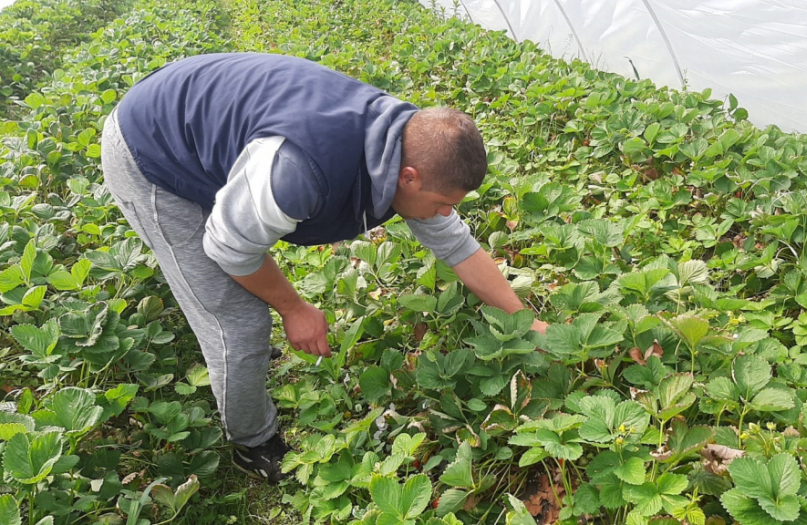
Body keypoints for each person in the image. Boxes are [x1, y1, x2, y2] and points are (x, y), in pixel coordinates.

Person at [100, 52, 547, 484]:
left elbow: (457, 245)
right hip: (149, 151)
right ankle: (253, 444)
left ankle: (244, 370)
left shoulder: (401, 139)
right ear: (409, 176)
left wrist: (524, 321)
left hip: (203, 120)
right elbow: (229, 249)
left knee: (238, 286)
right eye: (442, 203)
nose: (443, 214)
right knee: (237, 322)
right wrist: (294, 309)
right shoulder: (298, 169)